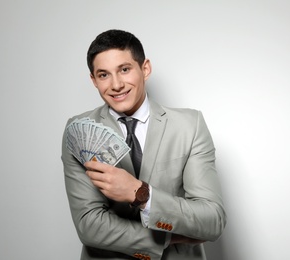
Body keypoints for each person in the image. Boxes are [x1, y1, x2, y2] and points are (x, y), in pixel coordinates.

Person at [62, 29, 226, 260]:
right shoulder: (79, 131)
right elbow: (89, 225)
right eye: (103, 75)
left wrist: (140, 194)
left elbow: (212, 220)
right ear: (93, 80)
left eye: (125, 69)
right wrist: (167, 238)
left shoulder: (190, 125)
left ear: (145, 69)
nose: (116, 85)